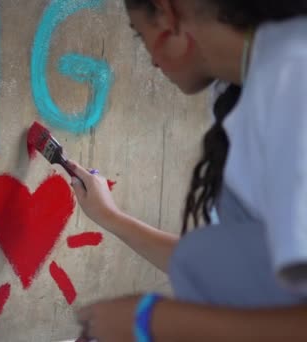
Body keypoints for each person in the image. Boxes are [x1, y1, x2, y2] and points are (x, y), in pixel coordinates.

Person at [69, 0, 307, 341]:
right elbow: (244, 271)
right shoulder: (246, 84)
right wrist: (111, 217)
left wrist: (150, 321)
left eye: (140, 35)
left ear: (166, 14)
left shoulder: (293, 76)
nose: (151, 58)